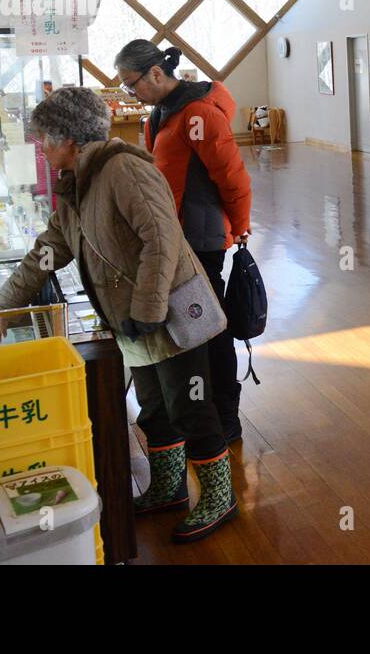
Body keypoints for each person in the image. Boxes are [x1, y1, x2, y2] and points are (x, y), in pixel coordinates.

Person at [0, 86, 238, 544]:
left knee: (191, 408)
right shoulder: (78, 184)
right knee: (154, 409)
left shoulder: (122, 170)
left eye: (45, 138)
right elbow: (49, 251)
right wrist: (4, 304)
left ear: (69, 139)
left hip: (171, 313)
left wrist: (148, 309)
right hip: (134, 320)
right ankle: (168, 487)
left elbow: (162, 240)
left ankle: (221, 497)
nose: (42, 148)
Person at [113, 41, 252, 443]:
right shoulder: (161, 113)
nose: (130, 92)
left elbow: (233, 176)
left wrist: (240, 225)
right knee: (196, 327)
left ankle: (226, 415)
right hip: (174, 236)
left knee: (210, 329)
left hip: (202, 237)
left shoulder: (199, 114)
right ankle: (202, 410)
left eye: (131, 83)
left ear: (156, 73)